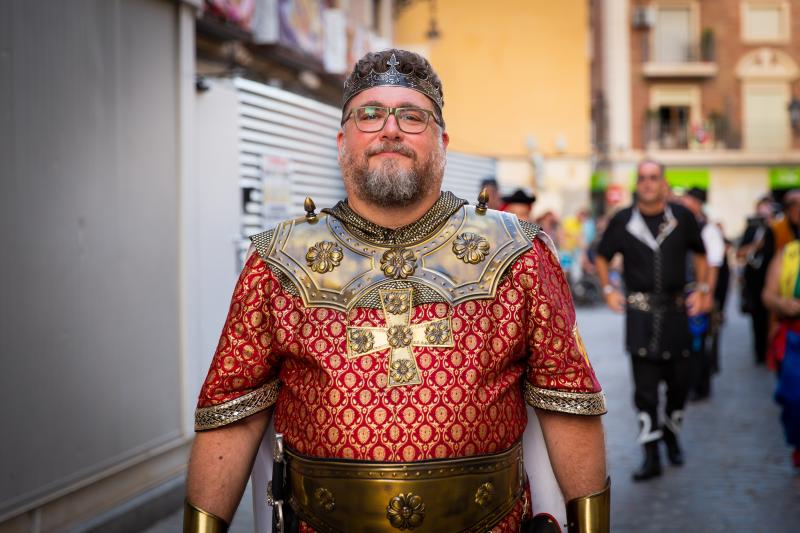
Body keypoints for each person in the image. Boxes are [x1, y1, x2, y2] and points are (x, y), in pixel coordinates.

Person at [184, 49, 609, 533]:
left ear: (442, 141)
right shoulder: (278, 261)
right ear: (342, 141)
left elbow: (569, 403)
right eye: (369, 115)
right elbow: (231, 415)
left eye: (412, 116)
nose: (390, 129)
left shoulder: (519, 253)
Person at [595, 159, 710, 482]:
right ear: (637, 183)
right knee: (644, 391)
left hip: (677, 314)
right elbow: (602, 255)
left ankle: (672, 436)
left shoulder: (682, 218)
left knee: (678, 386)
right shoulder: (622, 220)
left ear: (663, 182)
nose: (647, 183)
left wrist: (703, 289)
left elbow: (701, 254)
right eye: (642, 178)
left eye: (653, 177)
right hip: (640, 317)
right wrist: (607, 289)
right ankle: (650, 454)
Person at [680, 187, 726, 400]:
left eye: (689, 201)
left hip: (698, 294)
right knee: (687, 344)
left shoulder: (708, 230)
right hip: (686, 294)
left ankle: (700, 387)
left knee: (698, 343)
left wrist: (706, 294)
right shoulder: (685, 225)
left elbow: (714, 266)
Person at [761, 239, 800, 468]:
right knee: (794, 398)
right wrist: (784, 304)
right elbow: (768, 294)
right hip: (795, 336)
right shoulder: (789, 252)